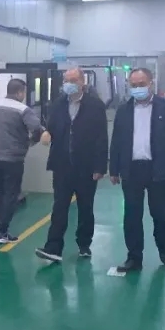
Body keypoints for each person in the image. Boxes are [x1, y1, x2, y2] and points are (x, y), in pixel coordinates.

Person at [109, 68, 165, 273]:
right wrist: (114, 169)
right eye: (133, 85)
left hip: (159, 169)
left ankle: (163, 246)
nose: (137, 88)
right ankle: (134, 257)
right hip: (131, 169)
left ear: (151, 83)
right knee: (131, 215)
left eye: (141, 84)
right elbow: (116, 141)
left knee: (160, 213)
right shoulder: (124, 111)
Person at [35, 68, 108, 263]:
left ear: (83, 82)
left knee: (86, 207)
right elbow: (51, 127)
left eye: (73, 80)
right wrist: (46, 133)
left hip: (86, 166)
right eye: (66, 80)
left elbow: (101, 137)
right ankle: (53, 247)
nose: (69, 84)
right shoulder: (57, 104)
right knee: (59, 206)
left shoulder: (95, 106)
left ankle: (84, 243)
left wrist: (100, 167)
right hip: (62, 165)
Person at [0, 78, 43, 244]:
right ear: (19, 92)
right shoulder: (23, 110)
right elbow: (37, 128)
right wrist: (32, 141)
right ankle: (2, 231)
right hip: (14, 158)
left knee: (1, 193)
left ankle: (0, 229)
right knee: (11, 194)